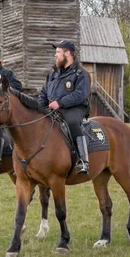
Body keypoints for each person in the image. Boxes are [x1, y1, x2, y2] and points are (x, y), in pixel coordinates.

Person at [39, 40, 91, 174]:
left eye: (58, 52)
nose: (55, 55)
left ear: (67, 53)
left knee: (72, 122)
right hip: (53, 108)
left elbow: (80, 94)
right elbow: (44, 93)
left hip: (75, 108)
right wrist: (40, 108)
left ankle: (83, 160)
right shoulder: (53, 73)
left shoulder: (81, 73)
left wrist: (60, 103)